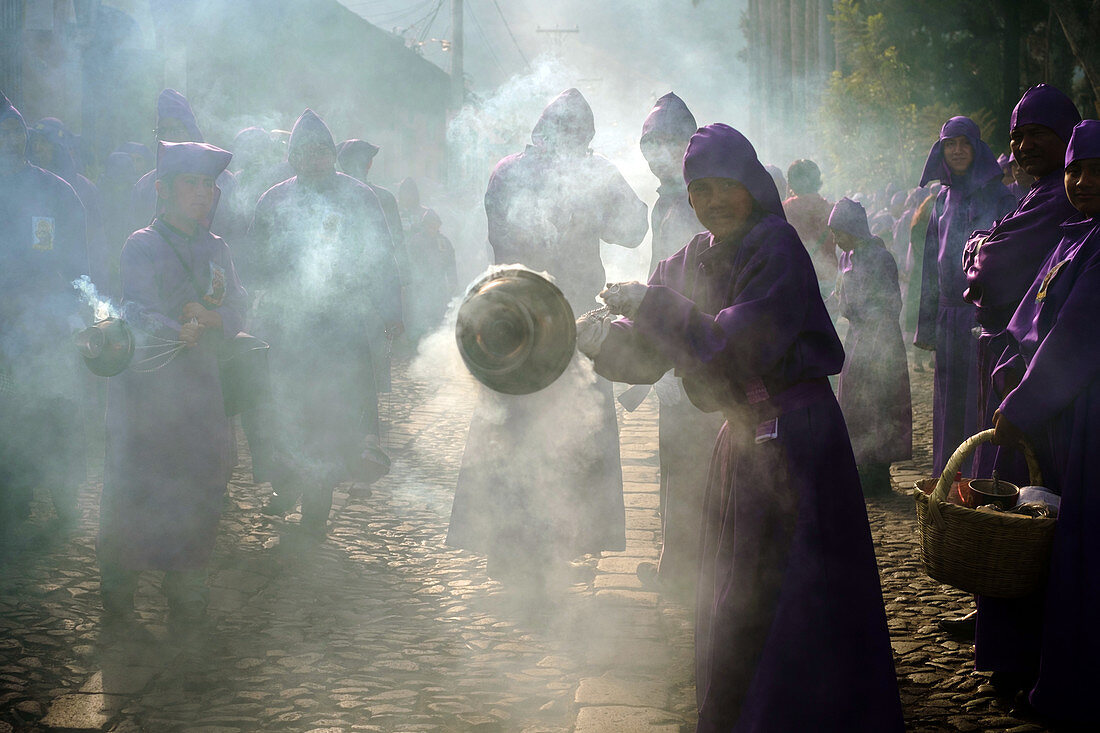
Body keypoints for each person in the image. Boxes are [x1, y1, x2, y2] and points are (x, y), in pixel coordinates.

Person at [579, 123, 903, 731]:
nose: (712, 201)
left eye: (725, 186)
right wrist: (599, 341)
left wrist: (649, 308)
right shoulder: (692, 257)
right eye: (699, 190)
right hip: (742, 438)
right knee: (740, 589)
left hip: (798, 437)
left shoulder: (775, 245)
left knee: (797, 590)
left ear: (751, 185)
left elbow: (738, 341)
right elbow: (655, 350)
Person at [446, 88, 648, 593]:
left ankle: (512, 544)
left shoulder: (507, 169)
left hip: (513, 313)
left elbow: (629, 231)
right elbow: (633, 228)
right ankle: (553, 540)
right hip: (559, 315)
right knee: (556, 428)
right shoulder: (583, 170)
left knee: (519, 424)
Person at [98, 141, 245, 635]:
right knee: (136, 486)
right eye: (192, 183)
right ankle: (119, 587)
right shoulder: (141, 244)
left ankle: (188, 589)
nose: (203, 194)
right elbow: (134, 307)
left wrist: (215, 317)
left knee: (199, 485)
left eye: (209, 185)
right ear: (163, 190)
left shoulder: (217, 247)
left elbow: (239, 308)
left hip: (201, 389)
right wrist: (171, 328)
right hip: (147, 391)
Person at [988, 119, 1100, 728]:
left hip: (1087, 413)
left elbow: (1077, 340)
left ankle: (1077, 682)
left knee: (1078, 539)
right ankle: (1030, 661)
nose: (1082, 181)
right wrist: (1009, 367)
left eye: (1097, 170)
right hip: (1055, 412)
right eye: (1075, 169)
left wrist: (1025, 401)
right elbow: (1031, 317)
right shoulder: (1071, 236)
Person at [248, 109, 402, 534]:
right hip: (288, 332)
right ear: (293, 157)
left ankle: (316, 508)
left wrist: (392, 312)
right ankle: (288, 485)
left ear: (332, 155)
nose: (315, 159)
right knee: (287, 414)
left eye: (322, 151)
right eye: (306, 152)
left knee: (333, 418)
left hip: (342, 330)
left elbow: (382, 261)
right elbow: (256, 265)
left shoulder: (359, 198)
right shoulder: (274, 200)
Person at [964, 84, 1081, 482]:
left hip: (1035, 367)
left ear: (1066, 135)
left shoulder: (1063, 197)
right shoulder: (1042, 190)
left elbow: (989, 269)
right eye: (1016, 136)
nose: (1024, 145)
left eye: (1038, 133)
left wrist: (980, 246)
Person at [634, 92, 722, 600]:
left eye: (668, 142)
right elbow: (657, 270)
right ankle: (678, 564)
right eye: (651, 143)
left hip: (697, 339)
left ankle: (693, 570)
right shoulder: (664, 201)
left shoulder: (701, 196)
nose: (657, 153)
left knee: (697, 458)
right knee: (676, 456)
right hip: (671, 338)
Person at [0, 91, 89, 537]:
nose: (9, 139)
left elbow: (78, 262)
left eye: (15, 130)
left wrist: (84, 311)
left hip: (47, 325)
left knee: (56, 410)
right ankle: (11, 499)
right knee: (9, 414)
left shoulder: (56, 191)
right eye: (2, 131)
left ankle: (62, 492)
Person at [915, 116, 1016, 476]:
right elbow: (930, 265)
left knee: (980, 403)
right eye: (949, 144)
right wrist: (926, 326)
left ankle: (978, 484)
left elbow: (1011, 259)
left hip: (983, 319)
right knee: (949, 403)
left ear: (977, 148)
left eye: (964, 143)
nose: (957, 150)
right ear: (941, 151)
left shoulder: (1001, 197)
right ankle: (949, 481)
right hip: (947, 319)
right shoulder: (940, 201)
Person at [829, 197, 912, 495]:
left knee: (880, 404)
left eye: (840, 232)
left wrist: (875, 338)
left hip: (880, 339)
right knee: (855, 404)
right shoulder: (846, 258)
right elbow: (840, 297)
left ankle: (878, 470)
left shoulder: (880, 257)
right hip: (857, 339)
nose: (836, 239)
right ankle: (860, 466)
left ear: (854, 228)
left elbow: (891, 303)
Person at [129, 89, 239, 240]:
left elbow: (236, 236)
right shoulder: (145, 185)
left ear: (191, 133)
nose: (167, 137)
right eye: (162, 131)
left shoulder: (223, 181)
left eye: (175, 130)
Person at [783, 159, 836, 300]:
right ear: (817, 180)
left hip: (796, 279)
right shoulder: (832, 210)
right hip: (828, 280)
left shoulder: (784, 210)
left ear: (791, 182)